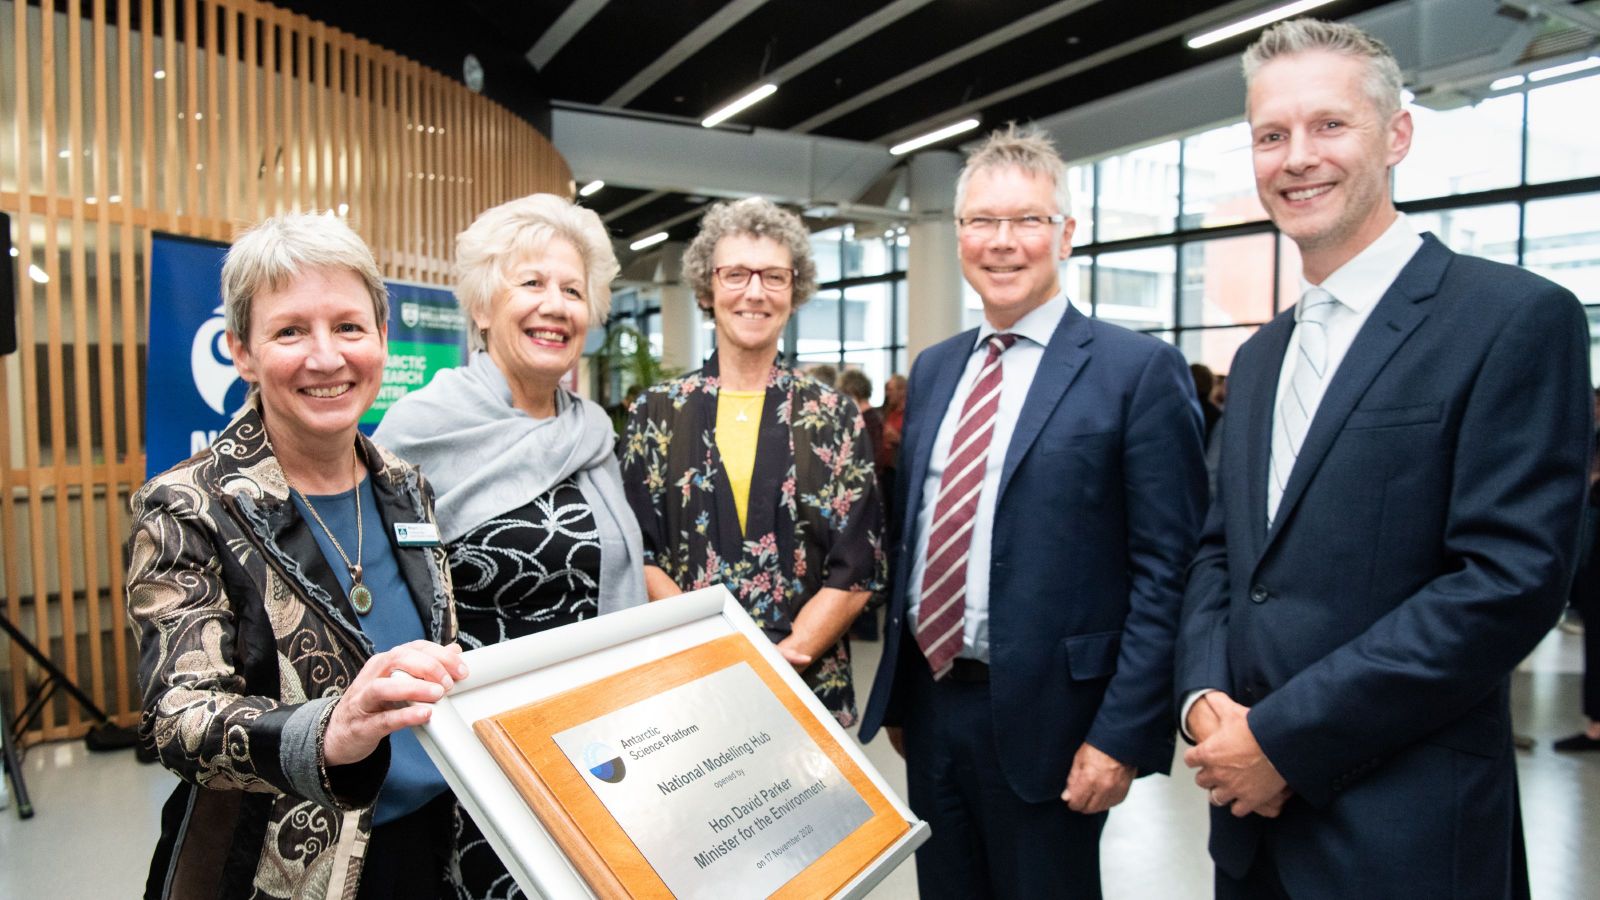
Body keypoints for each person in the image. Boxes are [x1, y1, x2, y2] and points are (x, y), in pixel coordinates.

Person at [1176, 19, 1591, 899]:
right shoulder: (1259, 360)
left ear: (1396, 135)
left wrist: (1283, 737)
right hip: (1248, 830)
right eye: (1271, 135)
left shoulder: (1512, 319)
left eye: (1330, 125)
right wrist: (1203, 699)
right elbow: (1223, 555)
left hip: (1402, 833)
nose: (1296, 158)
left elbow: (1506, 582)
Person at [857, 124, 1208, 899]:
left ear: (1066, 234)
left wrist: (1119, 733)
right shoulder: (937, 368)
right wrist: (905, 693)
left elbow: (1167, 571)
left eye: (1027, 221)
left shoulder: (1137, 372)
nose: (1003, 242)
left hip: (1060, 720)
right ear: (958, 235)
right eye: (983, 222)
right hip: (934, 706)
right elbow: (919, 535)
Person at [126, 212, 469, 900]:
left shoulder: (406, 485)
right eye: (290, 331)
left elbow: (439, 648)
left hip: (434, 846)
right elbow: (175, 718)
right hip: (277, 867)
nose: (326, 357)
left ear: (380, 336)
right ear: (241, 352)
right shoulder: (189, 505)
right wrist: (327, 731)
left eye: (348, 326)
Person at [373, 193, 648, 897]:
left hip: (594, 743)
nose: (554, 305)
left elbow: (618, 577)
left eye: (572, 290)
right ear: (483, 306)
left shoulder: (593, 435)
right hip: (471, 762)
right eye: (531, 283)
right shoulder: (418, 430)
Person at [619, 197, 886, 725]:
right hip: (690, 678)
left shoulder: (832, 415)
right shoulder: (656, 412)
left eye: (773, 276)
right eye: (736, 274)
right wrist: (720, 655)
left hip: (805, 681)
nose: (755, 292)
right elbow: (638, 550)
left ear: (795, 289)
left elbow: (858, 564)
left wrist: (778, 663)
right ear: (707, 286)